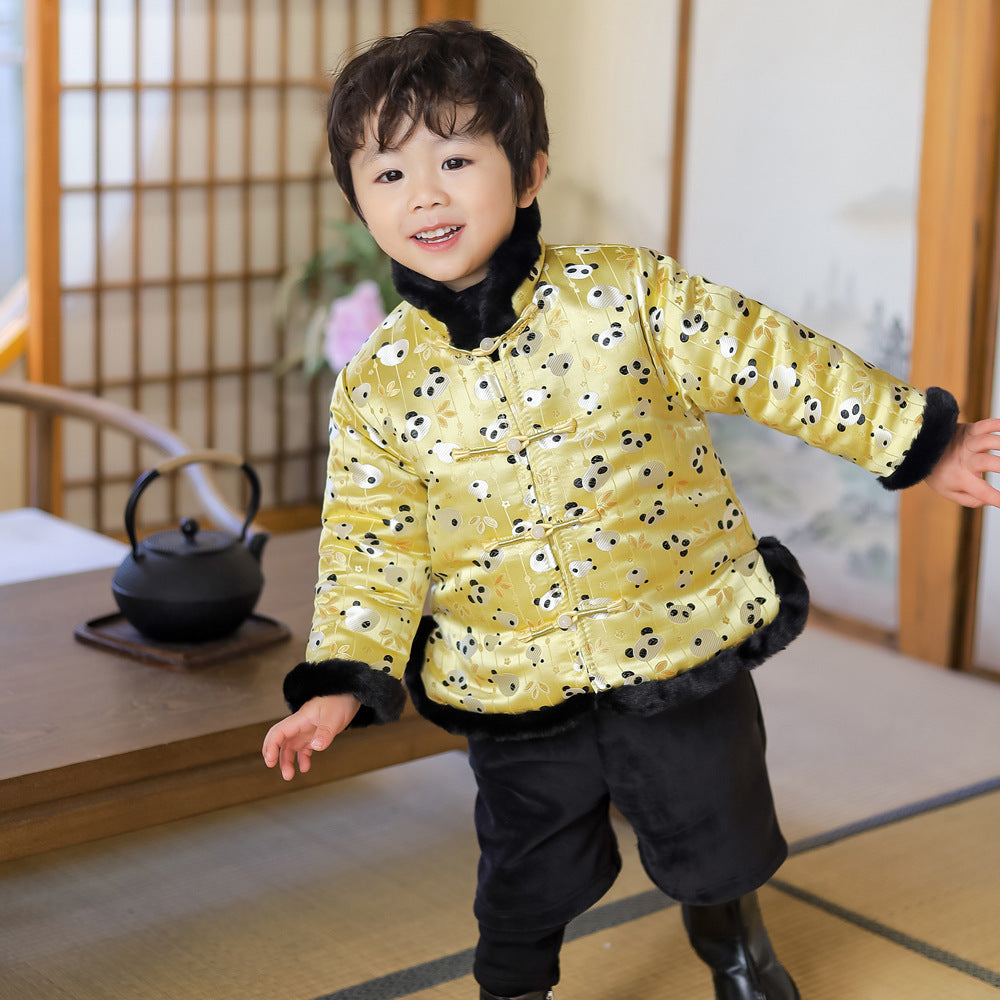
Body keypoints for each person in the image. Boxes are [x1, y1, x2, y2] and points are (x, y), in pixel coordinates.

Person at [262, 21, 1000, 1000]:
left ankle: (733, 943)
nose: (425, 193)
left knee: (715, 821)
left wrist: (922, 442)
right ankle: (512, 985)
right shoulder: (378, 381)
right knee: (524, 866)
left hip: (677, 641)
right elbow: (368, 541)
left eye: (454, 157)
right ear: (357, 200)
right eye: (388, 173)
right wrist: (340, 679)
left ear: (527, 173)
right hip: (510, 675)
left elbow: (779, 363)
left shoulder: (627, 296)